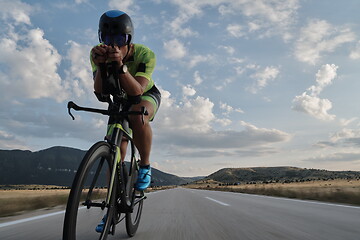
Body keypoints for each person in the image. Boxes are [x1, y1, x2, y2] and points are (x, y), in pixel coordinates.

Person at [90, 10, 161, 233]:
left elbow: (138, 91)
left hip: (145, 95)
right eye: (108, 39)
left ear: (129, 40)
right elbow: (101, 93)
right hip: (118, 99)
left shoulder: (145, 54)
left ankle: (145, 165)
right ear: (102, 37)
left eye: (119, 40)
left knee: (137, 113)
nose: (114, 45)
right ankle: (112, 210)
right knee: (114, 152)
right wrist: (101, 65)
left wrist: (120, 66)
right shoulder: (96, 53)